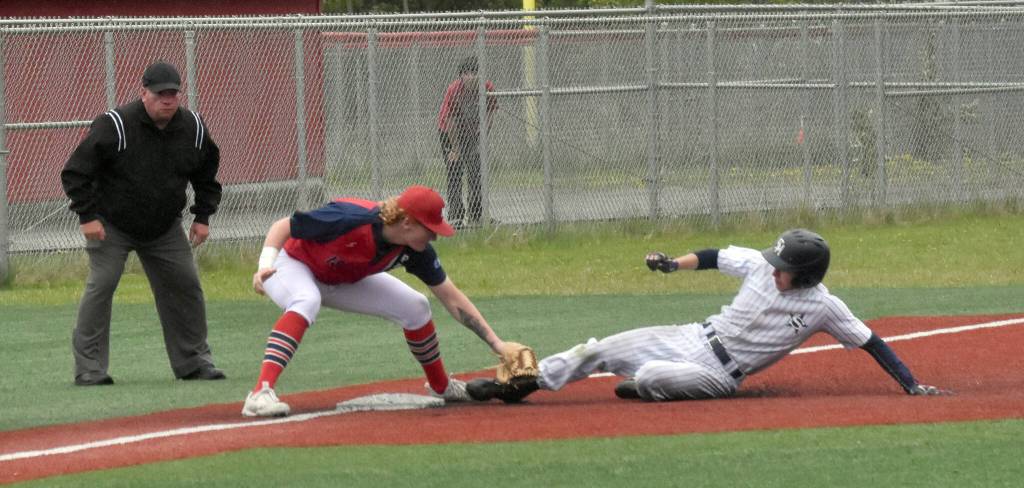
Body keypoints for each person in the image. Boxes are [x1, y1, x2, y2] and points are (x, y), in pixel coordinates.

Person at [467, 229, 949, 402]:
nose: (773, 269)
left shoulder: (823, 306)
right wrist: (673, 264)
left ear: (805, 275)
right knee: (599, 349)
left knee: (652, 375)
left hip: (718, 373)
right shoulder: (762, 265)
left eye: (785, 268)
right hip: (691, 336)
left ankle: (647, 386)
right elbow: (718, 255)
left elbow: (870, 341)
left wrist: (910, 383)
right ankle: (523, 384)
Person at [242, 185, 515, 417]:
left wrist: (497, 344)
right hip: (291, 264)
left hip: (340, 277)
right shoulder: (350, 217)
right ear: (407, 222)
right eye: (430, 229)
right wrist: (264, 265)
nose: (434, 236)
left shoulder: (414, 249)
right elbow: (283, 226)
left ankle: (441, 386)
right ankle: (260, 393)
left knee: (416, 307)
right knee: (306, 299)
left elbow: (450, 296)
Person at [61, 61, 224, 386]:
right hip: (111, 224)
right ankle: (90, 368)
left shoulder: (192, 127)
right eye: (160, 93)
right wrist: (87, 216)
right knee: (102, 285)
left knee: (186, 285)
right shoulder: (116, 125)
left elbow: (206, 175)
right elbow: (75, 172)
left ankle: (194, 362)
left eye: (173, 93)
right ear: (143, 93)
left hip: (163, 226)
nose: (167, 99)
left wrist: (203, 216)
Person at [436, 56, 498, 229]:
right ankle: (455, 217)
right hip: (449, 131)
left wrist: (481, 136)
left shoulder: (487, 88)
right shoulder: (455, 90)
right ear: (461, 76)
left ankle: (476, 216)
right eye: (467, 73)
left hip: (473, 132)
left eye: (474, 73)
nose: (471, 77)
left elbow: (490, 112)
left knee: (476, 171)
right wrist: (455, 149)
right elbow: (450, 119)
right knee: (455, 171)